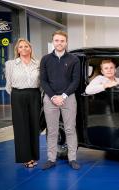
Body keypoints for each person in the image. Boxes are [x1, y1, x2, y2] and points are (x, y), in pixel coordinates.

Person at [40, 30, 81, 170]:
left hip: (68, 98)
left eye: (62, 41)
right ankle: (51, 159)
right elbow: (43, 81)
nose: (59, 43)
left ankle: (73, 159)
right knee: (52, 131)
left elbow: (76, 81)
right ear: (53, 42)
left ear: (66, 42)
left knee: (70, 129)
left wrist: (63, 96)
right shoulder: (45, 59)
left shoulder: (74, 59)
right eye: (57, 40)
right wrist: (53, 97)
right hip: (50, 99)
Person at [5, 38, 40, 168]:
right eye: (21, 47)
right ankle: (25, 158)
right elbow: (8, 85)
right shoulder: (10, 64)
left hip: (35, 95)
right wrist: (17, 95)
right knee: (21, 127)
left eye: (26, 46)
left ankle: (33, 155)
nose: (24, 49)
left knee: (34, 126)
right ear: (17, 50)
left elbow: (41, 82)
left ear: (30, 48)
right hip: (18, 95)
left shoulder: (38, 63)